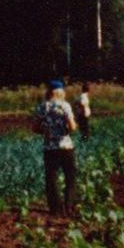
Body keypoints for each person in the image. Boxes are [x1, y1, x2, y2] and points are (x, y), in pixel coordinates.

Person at [33, 79, 78, 216]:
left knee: (51, 178)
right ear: (60, 92)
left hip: (50, 147)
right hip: (66, 146)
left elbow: (34, 127)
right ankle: (69, 206)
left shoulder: (42, 107)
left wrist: (46, 132)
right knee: (70, 176)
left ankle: (55, 209)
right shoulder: (65, 106)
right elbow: (72, 127)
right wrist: (66, 131)